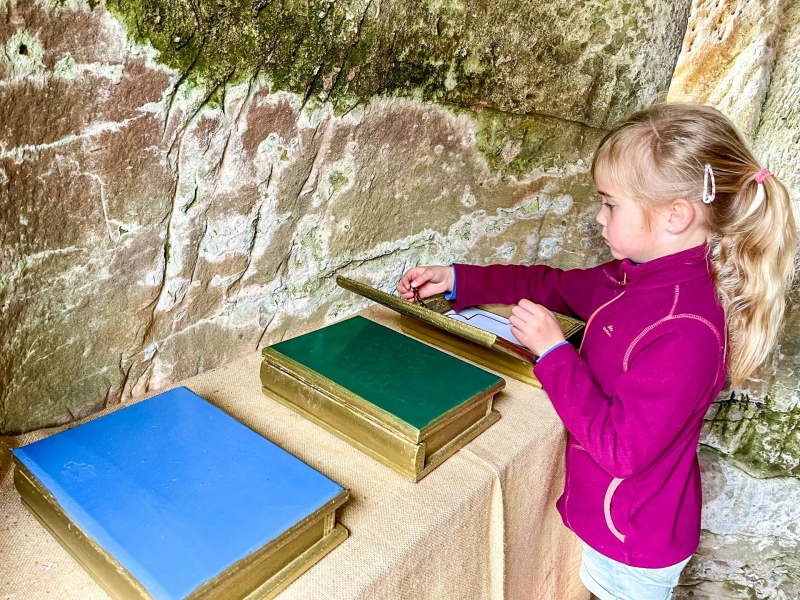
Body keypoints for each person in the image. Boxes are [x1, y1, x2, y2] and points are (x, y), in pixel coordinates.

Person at [396, 103, 797, 600]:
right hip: (614, 518)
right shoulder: (634, 274)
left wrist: (552, 353)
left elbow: (622, 450)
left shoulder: (687, 328)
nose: (599, 216)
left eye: (610, 204)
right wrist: (460, 278)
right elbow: (552, 284)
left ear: (676, 215)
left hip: (635, 536)